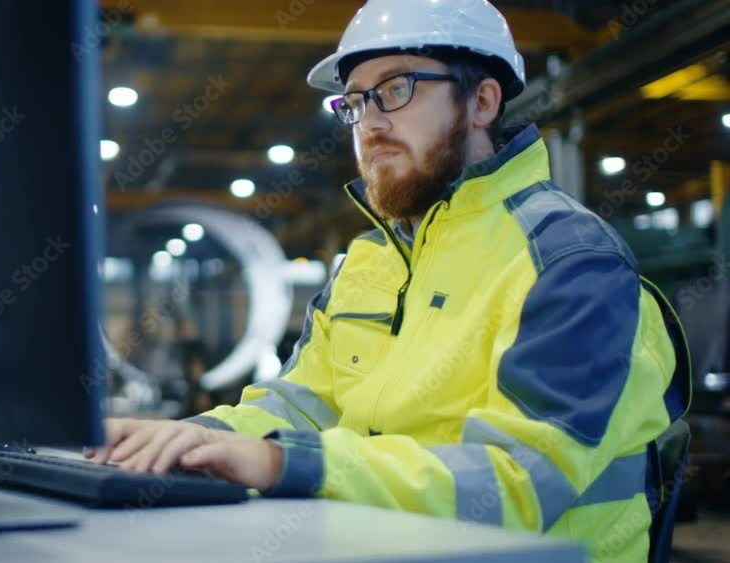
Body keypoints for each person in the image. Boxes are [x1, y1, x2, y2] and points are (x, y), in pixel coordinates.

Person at [86, 1, 690, 561]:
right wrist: (181, 438)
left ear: (481, 102)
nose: (368, 124)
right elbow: (297, 404)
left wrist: (283, 462)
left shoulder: (568, 261)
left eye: (395, 90)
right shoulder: (367, 264)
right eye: (354, 103)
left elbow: (518, 481)